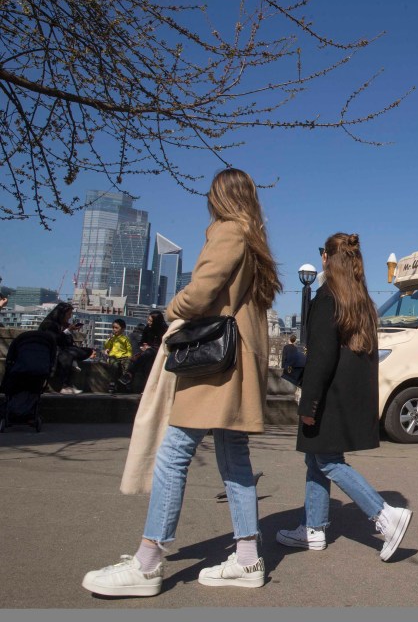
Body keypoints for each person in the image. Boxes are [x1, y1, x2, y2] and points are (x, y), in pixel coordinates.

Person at [82, 167, 282, 596]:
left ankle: (148, 563)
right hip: (239, 363)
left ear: (220, 197)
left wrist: (171, 308)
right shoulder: (256, 239)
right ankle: (248, 560)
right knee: (235, 459)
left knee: (173, 453)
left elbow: (201, 292)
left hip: (214, 367)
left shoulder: (229, 230)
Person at [276, 233, 412, 561]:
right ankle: (314, 529)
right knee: (316, 456)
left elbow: (321, 357)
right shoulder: (361, 300)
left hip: (328, 395)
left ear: (327, 259)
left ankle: (384, 515)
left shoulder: (327, 297)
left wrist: (309, 404)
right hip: (348, 393)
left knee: (327, 461)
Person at [38, 302, 92, 394]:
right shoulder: (49, 324)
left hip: (64, 349)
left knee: (87, 351)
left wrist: (68, 330)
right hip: (52, 350)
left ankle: (73, 360)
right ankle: (66, 385)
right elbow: (54, 339)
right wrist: (67, 331)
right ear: (62, 313)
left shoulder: (63, 324)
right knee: (68, 355)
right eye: (69, 314)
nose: (70, 316)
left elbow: (67, 343)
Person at [119, 311, 169, 392]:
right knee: (146, 363)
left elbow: (164, 345)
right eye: (148, 320)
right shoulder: (147, 328)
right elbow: (142, 342)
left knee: (148, 353)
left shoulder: (164, 330)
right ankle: (143, 386)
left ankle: (129, 374)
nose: (148, 322)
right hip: (147, 353)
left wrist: (150, 347)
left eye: (150, 321)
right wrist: (144, 346)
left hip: (159, 352)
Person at [104, 318, 133, 390]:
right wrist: (109, 340)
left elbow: (129, 348)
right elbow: (107, 346)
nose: (114, 329)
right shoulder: (112, 338)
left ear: (123, 329)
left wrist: (129, 356)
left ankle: (125, 380)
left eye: (116, 328)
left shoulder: (125, 338)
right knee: (115, 366)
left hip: (123, 357)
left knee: (127, 365)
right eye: (113, 327)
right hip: (113, 356)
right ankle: (112, 382)